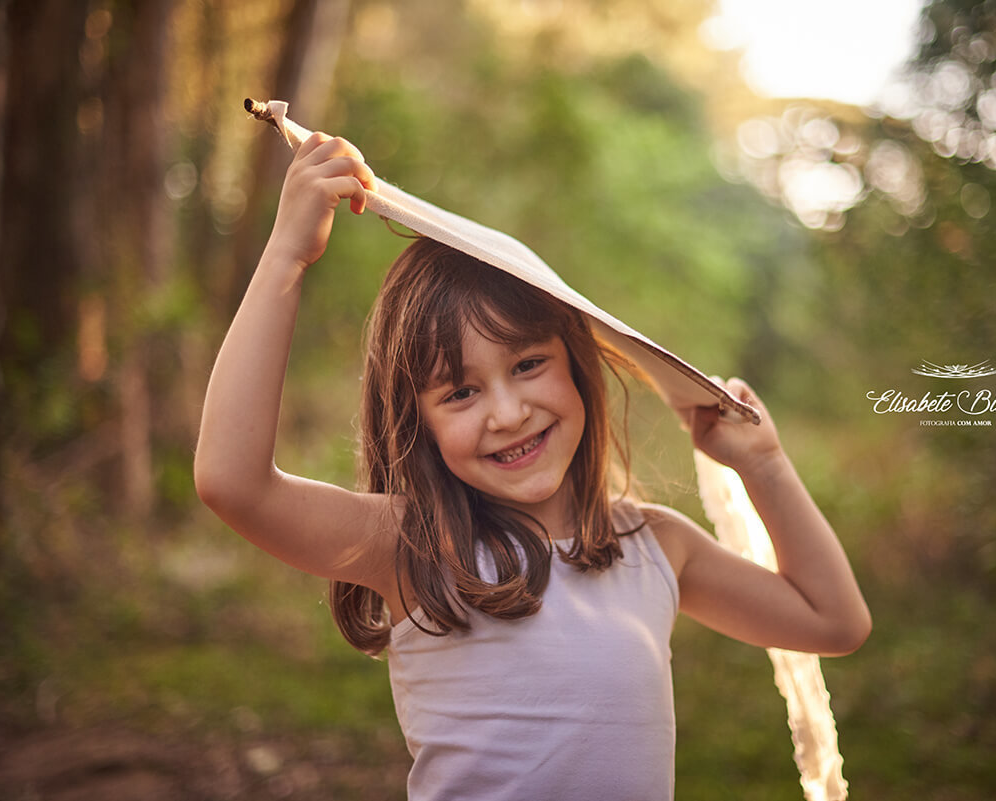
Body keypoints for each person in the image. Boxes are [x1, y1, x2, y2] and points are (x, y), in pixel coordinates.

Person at [193, 132, 871, 801]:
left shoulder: (655, 546)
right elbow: (233, 482)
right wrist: (286, 255)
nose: (509, 412)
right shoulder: (417, 546)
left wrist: (767, 466)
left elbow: (833, 622)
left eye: (527, 364)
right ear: (418, 422)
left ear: (576, 365)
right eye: (461, 391)